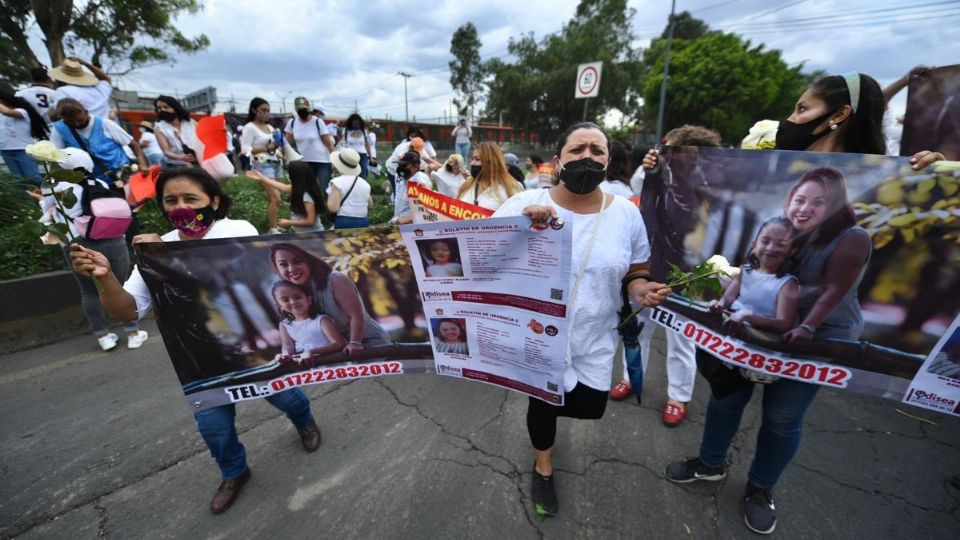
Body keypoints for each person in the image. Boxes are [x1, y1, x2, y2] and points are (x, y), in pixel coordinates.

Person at [661, 73, 944, 535]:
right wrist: (665, 164)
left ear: (838, 117)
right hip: (753, 318)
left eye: (801, 110)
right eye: (799, 199)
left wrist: (936, 170)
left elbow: (833, 290)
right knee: (727, 399)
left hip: (816, 333)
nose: (790, 120)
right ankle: (710, 464)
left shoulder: (875, 191)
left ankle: (760, 488)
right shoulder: (774, 174)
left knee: (783, 415)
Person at [69, 166, 322, 514]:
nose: (180, 207)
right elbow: (127, 312)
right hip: (199, 359)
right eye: (170, 201)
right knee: (214, 427)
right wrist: (105, 277)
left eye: (191, 198)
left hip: (254, 348)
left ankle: (305, 422)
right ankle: (234, 472)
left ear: (213, 201)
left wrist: (165, 256)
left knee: (285, 397)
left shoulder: (236, 230)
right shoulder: (154, 251)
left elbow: (220, 276)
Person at [493, 122, 671, 517]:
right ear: (559, 160)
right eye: (577, 150)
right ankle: (543, 465)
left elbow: (636, 268)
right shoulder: (524, 202)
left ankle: (547, 417)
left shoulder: (626, 214)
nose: (587, 157)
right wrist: (519, 228)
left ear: (608, 161)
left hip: (593, 336)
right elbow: (483, 261)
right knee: (542, 407)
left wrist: (640, 289)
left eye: (597, 150)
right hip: (536, 335)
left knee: (590, 405)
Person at [614, 125, 721, 423]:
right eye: (662, 147)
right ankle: (629, 377)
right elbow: (637, 193)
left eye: (669, 148)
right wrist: (648, 170)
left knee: (681, 337)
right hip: (648, 264)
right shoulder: (656, 171)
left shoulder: (708, 180)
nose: (661, 151)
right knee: (636, 329)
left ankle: (679, 396)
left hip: (685, 271)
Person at [41, 147, 148, 351]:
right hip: (112, 238)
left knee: (89, 291)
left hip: (77, 242)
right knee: (120, 284)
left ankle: (103, 336)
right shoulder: (98, 183)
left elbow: (46, 213)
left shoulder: (51, 187)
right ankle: (133, 332)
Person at [269, 243, 390, 355]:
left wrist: (354, 343)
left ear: (308, 261)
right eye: (283, 264)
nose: (292, 268)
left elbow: (356, 316)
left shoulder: (335, 280)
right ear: (277, 269)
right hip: (334, 350)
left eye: (297, 261)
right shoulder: (293, 291)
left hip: (366, 342)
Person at [708, 217, 800, 337]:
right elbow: (729, 297)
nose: (771, 248)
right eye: (765, 241)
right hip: (726, 330)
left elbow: (784, 324)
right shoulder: (745, 271)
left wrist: (747, 317)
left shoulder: (787, 283)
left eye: (780, 244)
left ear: (791, 251)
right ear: (755, 245)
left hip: (754, 340)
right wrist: (718, 305)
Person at [50, 99, 148, 181]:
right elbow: (57, 159)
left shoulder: (104, 123)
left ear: (86, 111)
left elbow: (134, 144)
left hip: (123, 175)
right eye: (70, 122)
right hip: (94, 182)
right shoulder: (59, 129)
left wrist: (142, 164)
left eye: (80, 120)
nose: (77, 124)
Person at [272, 280, 346, 367]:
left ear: (308, 299)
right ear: (279, 306)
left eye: (297, 297)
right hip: (304, 365)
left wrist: (310, 351)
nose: (293, 302)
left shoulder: (322, 320)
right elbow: (287, 346)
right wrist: (284, 356)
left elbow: (338, 344)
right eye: (285, 300)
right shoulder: (285, 325)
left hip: (330, 361)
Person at [241, 97, 284, 233]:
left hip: (276, 163)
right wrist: (267, 147)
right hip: (262, 164)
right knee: (277, 197)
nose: (266, 113)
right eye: (263, 110)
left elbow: (273, 146)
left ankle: (273, 226)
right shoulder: (249, 127)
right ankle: (272, 228)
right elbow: (245, 150)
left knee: (272, 198)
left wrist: (277, 150)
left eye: (268, 110)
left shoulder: (269, 127)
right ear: (254, 110)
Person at [246, 160, 325, 233]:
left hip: (313, 235)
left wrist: (289, 223)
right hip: (303, 234)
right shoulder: (299, 189)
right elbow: (281, 186)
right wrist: (262, 178)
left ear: (295, 176)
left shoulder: (306, 197)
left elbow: (310, 221)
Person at [285, 96, 336, 191]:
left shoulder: (317, 122)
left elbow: (328, 143)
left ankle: (326, 205)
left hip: (322, 162)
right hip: (304, 161)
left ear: (309, 109)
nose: (302, 112)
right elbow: (287, 142)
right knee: (308, 190)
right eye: (299, 110)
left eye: (304, 110)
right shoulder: (292, 123)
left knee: (325, 189)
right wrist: (282, 153)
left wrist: (334, 160)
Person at [0, 90, 48, 186]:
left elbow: (7, 112)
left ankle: (47, 195)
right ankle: (28, 200)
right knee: (18, 180)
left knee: (33, 177)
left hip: (23, 149)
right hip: (5, 150)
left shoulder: (22, 111)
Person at [457, 142, 523, 211]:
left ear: (492, 163)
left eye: (477, 159)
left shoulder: (512, 187)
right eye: (472, 159)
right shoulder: (466, 186)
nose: (472, 163)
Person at [326, 148, 373, 229]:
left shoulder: (337, 182)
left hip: (344, 221)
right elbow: (370, 205)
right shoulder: (365, 183)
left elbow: (333, 208)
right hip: (363, 221)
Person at [153, 95, 203, 167]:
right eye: (159, 108)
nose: (162, 110)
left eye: (166, 107)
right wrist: (181, 158)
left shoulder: (190, 122)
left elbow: (204, 136)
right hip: (177, 166)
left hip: (198, 162)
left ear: (175, 108)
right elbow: (166, 151)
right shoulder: (158, 127)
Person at [392, 150, 432, 225]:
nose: (401, 167)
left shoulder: (420, 179)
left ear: (415, 166)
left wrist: (406, 219)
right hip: (398, 222)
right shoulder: (399, 176)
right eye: (400, 165)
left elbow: (427, 208)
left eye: (404, 165)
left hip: (414, 226)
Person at [340, 113, 377, 178]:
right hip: (350, 155)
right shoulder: (346, 131)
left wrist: (370, 157)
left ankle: (361, 187)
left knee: (363, 173)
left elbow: (367, 144)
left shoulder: (363, 131)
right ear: (350, 123)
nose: (356, 125)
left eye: (358, 123)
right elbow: (343, 144)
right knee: (350, 174)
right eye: (354, 123)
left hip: (362, 155)